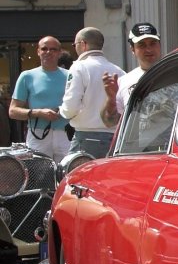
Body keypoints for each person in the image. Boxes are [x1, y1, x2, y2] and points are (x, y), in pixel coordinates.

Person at [59, 27, 124, 158]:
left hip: (85, 138)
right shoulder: (119, 70)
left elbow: (70, 107)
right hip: (114, 138)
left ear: (83, 44)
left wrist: (62, 111)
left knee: (76, 177)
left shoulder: (79, 67)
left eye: (75, 45)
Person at [8, 36, 73, 161]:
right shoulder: (27, 76)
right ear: (38, 51)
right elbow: (13, 111)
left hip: (65, 133)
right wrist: (37, 113)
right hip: (37, 133)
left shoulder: (70, 76)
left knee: (67, 174)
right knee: (38, 176)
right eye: (44, 49)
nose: (48, 52)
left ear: (59, 53)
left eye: (53, 49)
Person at [101, 22, 163, 128]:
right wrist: (111, 100)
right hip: (138, 144)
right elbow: (110, 122)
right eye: (142, 45)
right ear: (132, 49)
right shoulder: (123, 82)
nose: (149, 49)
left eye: (153, 43)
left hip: (173, 142)